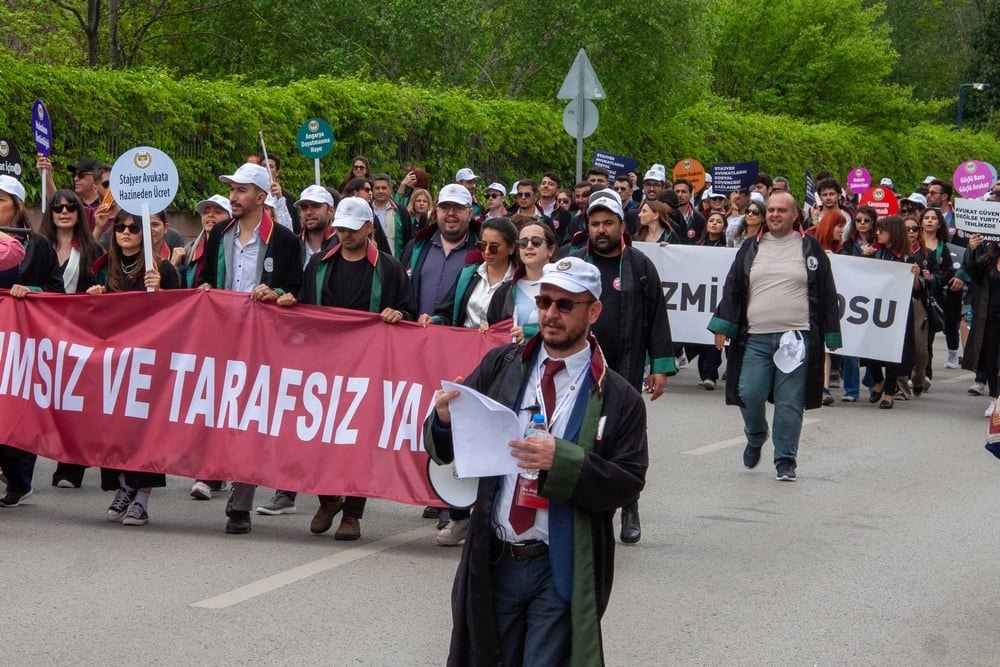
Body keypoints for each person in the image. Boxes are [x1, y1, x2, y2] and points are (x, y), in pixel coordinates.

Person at [425, 256, 647, 666]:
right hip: (496, 558)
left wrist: (560, 460)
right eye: (543, 302)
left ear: (593, 311)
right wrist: (442, 419)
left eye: (565, 305)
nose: (550, 314)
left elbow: (629, 479)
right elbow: (447, 447)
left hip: (559, 564)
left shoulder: (619, 397)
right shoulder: (502, 364)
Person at [271, 196, 416, 540]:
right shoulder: (318, 264)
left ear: (368, 227)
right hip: (323, 365)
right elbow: (303, 307)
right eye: (342, 229)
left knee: (358, 440)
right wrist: (289, 300)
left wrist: (400, 315)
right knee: (318, 436)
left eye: (353, 230)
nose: (346, 235)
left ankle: (352, 512)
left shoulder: (389, 268)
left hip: (368, 368)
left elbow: (409, 310)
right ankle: (327, 498)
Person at [198, 162, 303, 533]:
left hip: (264, 345)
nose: (232, 197)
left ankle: (240, 502)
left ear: (261, 197)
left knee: (251, 418)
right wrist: (206, 292)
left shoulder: (287, 242)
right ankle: (213, 473)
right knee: (221, 414)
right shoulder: (219, 236)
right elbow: (207, 281)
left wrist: (277, 294)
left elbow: (298, 292)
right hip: (223, 340)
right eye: (232, 190)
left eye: (241, 190)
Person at [708, 191, 842, 481]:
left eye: (782, 210)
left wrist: (831, 335)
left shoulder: (810, 248)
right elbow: (733, 287)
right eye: (770, 210)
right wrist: (722, 326)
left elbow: (828, 294)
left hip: (796, 340)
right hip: (755, 338)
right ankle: (756, 435)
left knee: (789, 401)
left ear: (795, 215)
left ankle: (785, 460)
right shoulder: (750, 248)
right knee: (749, 393)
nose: (774, 215)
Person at [573, 188, 675, 543]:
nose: (601, 229)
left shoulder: (639, 265)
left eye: (608, 223)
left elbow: (656, 319)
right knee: (583, 431)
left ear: (621, 225)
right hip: (580, 366)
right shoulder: (574, 260)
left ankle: (629, 504)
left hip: (625, 366)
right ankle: (585, 502)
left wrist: (659, 367)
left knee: (626, 436)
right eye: (595, 223)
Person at [421, 218, 519, 546]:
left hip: (499, 367)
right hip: (464, 361)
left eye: (495, 247)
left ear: (510, 249)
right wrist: (433, 320)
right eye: (482, 246)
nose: (487, 252)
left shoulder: (516, 283)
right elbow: (448, 311)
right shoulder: (469, 275)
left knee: (492, 436)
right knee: (460, 433)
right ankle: (459, 514)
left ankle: (489, 513)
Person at [82, 209, 180, 523]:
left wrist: (161, 290)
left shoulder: (161, 268)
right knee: (113, 426)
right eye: (120, 226)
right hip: (114, 361)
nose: (125, 232)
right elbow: (90, 312)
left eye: (133, 228)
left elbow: (183, 312)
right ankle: (122, 486)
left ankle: (142, 498)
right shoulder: (103, 267)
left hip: (149, 362)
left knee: (146, 431)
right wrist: (94, 294)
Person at [0, 176, 65, 508]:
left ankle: (19, 479)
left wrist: (31, 293)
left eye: (0, 200)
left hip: (20, 347)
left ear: (17, 206)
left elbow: (58, 294)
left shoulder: (36, 246)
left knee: (11, 419)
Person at [37, 189, 104, 489]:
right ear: (50, 213)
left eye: (70, 207)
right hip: (39, 333)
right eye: (57, 207)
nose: (64, 212)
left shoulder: (92, 250)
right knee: (36, 399)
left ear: (79, 213)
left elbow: (102, 288)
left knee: (73, 402)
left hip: (78, 335)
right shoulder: (38, 246)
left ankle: (69, 469)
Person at [861, 216, 917, 410]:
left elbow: (919, 288)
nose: (877, 233)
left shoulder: (908, 256)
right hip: (874, 307)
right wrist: (865, 258)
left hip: (897, 309)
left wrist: (916, 276)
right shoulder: (875, 252)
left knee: (893, 350)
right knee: (869, 348)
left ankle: (889, 392)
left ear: (892, 232)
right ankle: (878, 380)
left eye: (881, 230)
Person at [486, 221, 558, 343]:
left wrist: (531, 333)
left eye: (536, 242)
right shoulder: (504, 291)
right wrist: (488, 330)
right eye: (523, 243)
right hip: (514, 358)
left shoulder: (566, 288)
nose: (529, 246)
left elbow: (575, 327)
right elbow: (495, 331)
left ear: (550, 250)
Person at [371, 173, 412, 256]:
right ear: (372, 190)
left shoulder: (401, 211)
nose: (381, 191)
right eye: (377, 188)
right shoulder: (367, 211)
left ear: (390, 189)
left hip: (396, 262)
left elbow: (409, 239)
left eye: (384, 188)